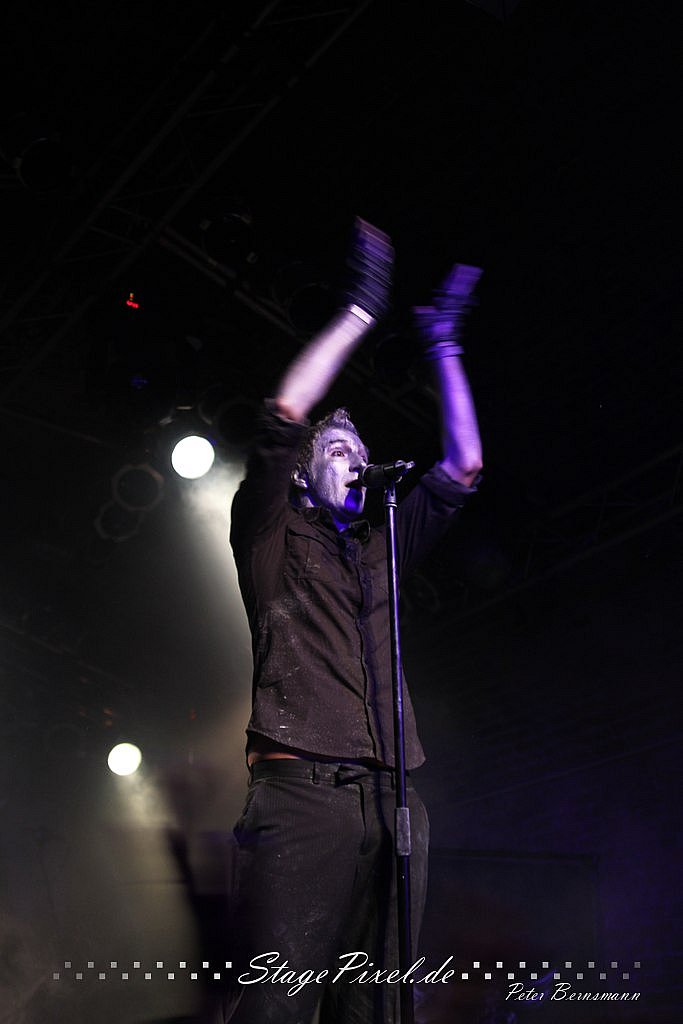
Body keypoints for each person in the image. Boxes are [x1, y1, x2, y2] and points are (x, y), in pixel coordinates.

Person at [218, 220, 482, 1024]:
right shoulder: (268, 533)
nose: (354, 457)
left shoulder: (380, 546)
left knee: (379, 1005)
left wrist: (442, 345)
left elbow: (463, 466)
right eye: (337, 448)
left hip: (394, 796)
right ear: (303, 478)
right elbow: (284, 414)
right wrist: (361, 311)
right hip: (301, 796)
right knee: (277, 1004)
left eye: (360, 447)